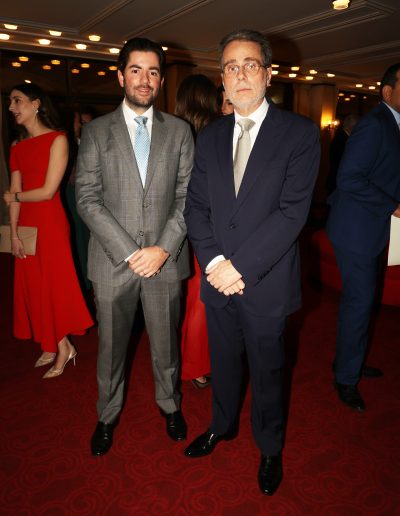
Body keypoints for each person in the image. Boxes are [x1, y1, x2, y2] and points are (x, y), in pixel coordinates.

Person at [183, 29, 320, 496]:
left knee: (268, 372)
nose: (240, 74)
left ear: (268, 73)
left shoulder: (299, 133)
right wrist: (214, 263)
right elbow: (195, 207)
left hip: (265, 281)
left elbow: (292, 213)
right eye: (230, 67)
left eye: (250, 65)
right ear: (222, 80)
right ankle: (221, 426)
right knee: (223, 363)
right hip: (218, 280)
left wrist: (236, 267)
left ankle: (269, 447)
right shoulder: (210, 136)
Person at [75, 37, 195, 456]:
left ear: (161, 80)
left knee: (166, 344)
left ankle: (170, 404)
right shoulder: (95, 132)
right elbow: (87, 198)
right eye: (136, 70)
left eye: (153, 71)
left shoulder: (180, 131)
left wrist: (162, 248)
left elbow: (189, 196)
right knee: (111, 349)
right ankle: (107, 414)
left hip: (166, 260)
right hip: (113, 263)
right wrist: (130, 251)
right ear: (120, 76)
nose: (145, 79)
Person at [4, 83, 93, 378]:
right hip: (26, 223)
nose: (11, 107)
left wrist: (15, 197)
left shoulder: (58, 140)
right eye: (11, 102)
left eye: (17, 100)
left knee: (50, 286)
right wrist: (13, 233)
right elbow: (14, 192)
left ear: (36, 104)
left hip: (51, 222)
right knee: (33, 286)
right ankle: (51, 343)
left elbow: (47, 191)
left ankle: (63, 346)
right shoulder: (17, 146)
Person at [326, 63, 400, 412]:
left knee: (362, 302)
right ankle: (346, 377)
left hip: (369, 226)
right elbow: (349, 178)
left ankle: (349, 361)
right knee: (359, 304)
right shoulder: (375, 124)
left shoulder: (392, 124)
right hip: (355, 230)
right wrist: (393, 206)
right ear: (387, 91)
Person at [175, 74, 219, 389]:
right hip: (211, 223)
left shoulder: (173, 130)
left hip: (180, 224)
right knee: (203, 298)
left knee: (192, 297)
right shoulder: (218, 130)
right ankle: (196, 363)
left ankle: (192, 361)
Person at [327, 114, 359, 195]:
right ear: (353, 127)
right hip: (338, 180)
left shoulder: (341, 137)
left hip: (337, 179)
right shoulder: (343, 140)